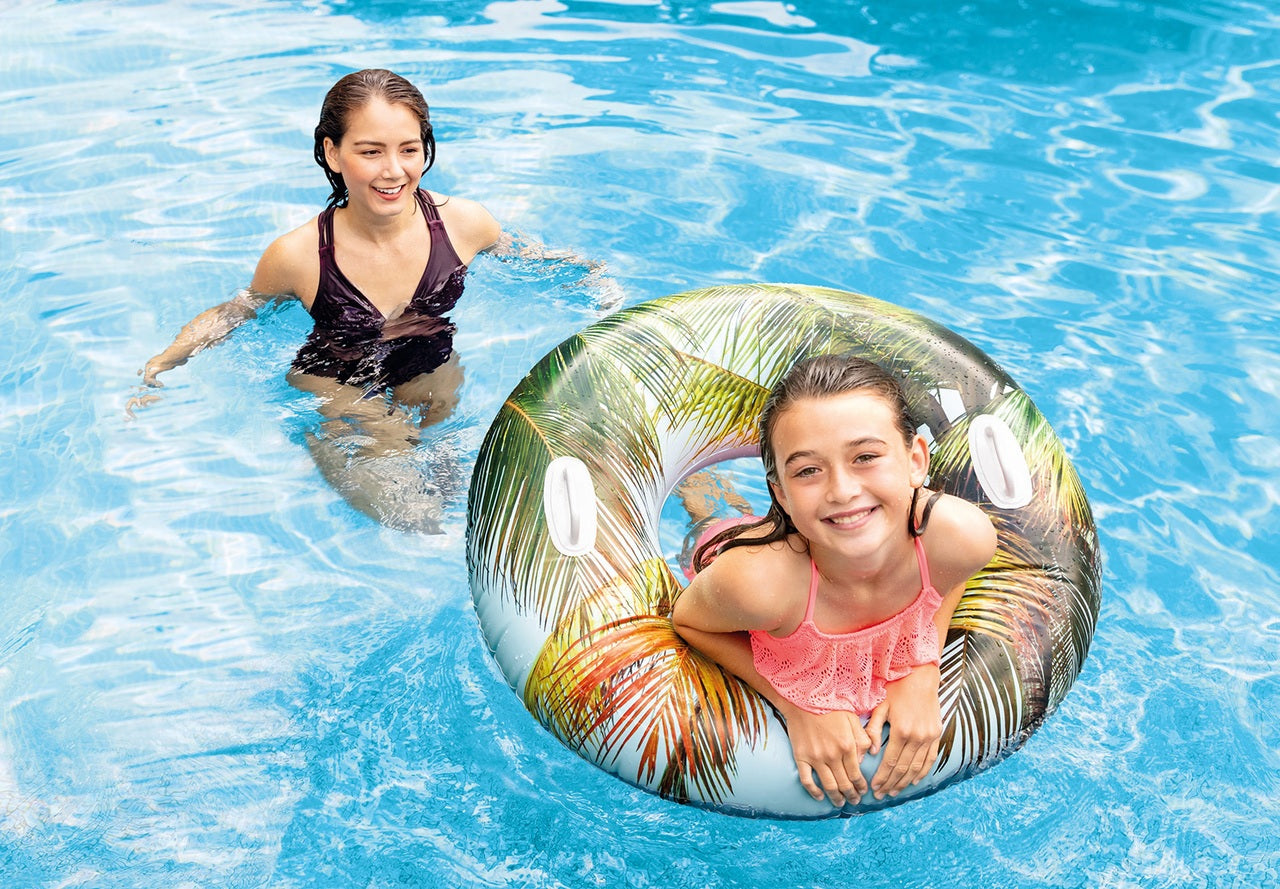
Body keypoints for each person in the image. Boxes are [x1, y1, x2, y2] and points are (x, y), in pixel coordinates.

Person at [136, 69, 608, 529]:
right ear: (333, 153)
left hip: (427, 359)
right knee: (412, 516)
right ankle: (327, 448)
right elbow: (236, 312)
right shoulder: (298, 256)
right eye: (370, 151)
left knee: (460, 492)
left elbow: (525, 256)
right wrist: (163, 362)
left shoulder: (466, 224)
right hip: (338, 380)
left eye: (409, 149)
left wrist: (590, 279)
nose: (394, 170)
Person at [670, 355, 997, 808]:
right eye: (807, 470)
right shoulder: (757, 585)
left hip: (813, 538)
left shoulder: (959, 537)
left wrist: (922, 665)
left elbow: (950, 577)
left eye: (865, 456)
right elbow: (688, 621)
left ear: (916, 460)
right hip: (734, 555)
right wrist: (794, 704)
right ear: (781, 492)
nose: (842, 490)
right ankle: (708, 493)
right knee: (712, 513)